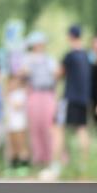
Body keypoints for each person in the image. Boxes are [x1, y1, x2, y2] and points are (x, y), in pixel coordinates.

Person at [46, 25, 93, 178]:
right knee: (82, 129)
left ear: (70, 36)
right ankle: (84, 165)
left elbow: (58, 74)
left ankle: (55, 167)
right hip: (83, 99)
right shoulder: (86, 56)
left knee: (57, 129)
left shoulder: (69, 55)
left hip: (70, 98)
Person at [22, 31, 58, 167]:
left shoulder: (49, 59)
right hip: (34, 93)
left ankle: (52, 157)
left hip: (48, 93)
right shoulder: (28, 59)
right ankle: (39, 158)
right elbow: (24, 74)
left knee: (49, 126)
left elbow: (55, 75)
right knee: (35, 127)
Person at [5, 74, 31, 175]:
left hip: (20, 124)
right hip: (10, 124)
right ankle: (13, 167)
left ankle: (24, 166)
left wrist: (8, 98)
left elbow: (18, 106)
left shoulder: (21, 93)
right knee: (13, 146)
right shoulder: (9, 94)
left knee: (21, 145)